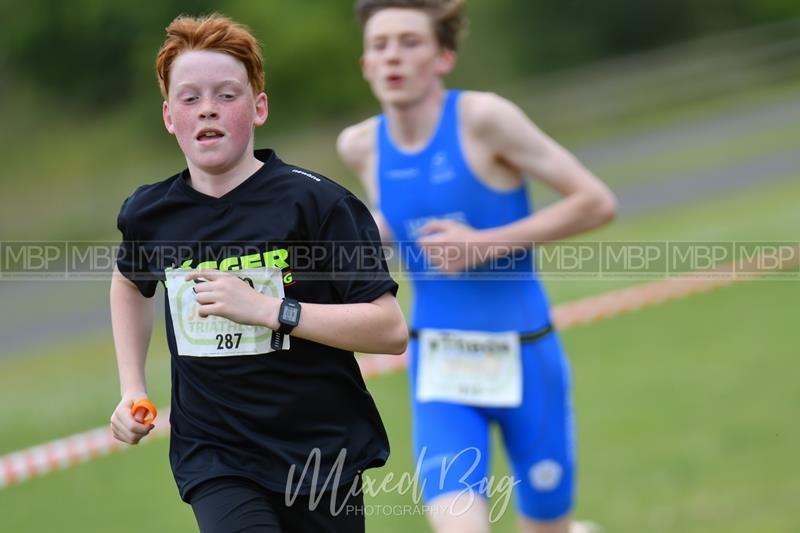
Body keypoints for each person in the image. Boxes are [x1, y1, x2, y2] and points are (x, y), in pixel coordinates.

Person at [108, 13, 408, 533]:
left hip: (320, 452)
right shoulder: (149, 214)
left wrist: (271, 311)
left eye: (227, 95)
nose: (208, 110)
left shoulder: (319, 203)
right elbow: (130, 283)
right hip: (216, 455)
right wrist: (132, 385)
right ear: (168, 117)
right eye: (190, 98)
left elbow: (389, 330)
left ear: (259, 107)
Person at [337, 1, 617, 532]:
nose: (393, 56)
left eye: (409, 42)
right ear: (366, 66)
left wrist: (487, 243)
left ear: (443, 57)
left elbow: (595, 202)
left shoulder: (485, 118)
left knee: (548, 527)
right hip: (441, 368)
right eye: (380, 45)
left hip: (526, 356)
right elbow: (403, 220)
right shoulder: (361, 146)